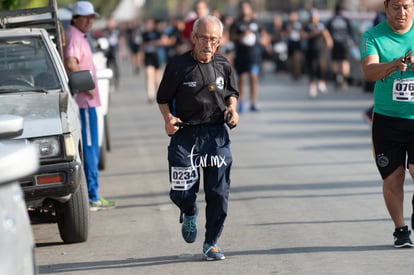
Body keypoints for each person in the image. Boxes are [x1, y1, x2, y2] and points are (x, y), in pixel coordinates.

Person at [156, 15, 239, 260]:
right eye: (203, 37)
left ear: (220, 41)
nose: (208, 43)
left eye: (213, 39)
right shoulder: (177, 66)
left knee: (218, 191)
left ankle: (211, 242)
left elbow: (231, 94)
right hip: (186, 134)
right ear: (193, 38)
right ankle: (189, 209)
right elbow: (162, 99)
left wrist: (232, 110)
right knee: (181, 190)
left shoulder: (224, 64)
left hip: (215, 135)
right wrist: (168, 119)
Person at [360, 0, 414, 248]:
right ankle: (400, 230)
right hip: (387, 120)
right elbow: (369, 71)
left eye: (407, 6)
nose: (401, 12)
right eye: (396, 6)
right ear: (386, 7)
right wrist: (394, 64)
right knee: (393, 178)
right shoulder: (373, 36)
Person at [64, 1, 116, 211]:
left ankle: (93, 194)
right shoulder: (74, 35)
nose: (89, 21)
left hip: (89, 103)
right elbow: (71, 62)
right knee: (89, 150)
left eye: (91, 17)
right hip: (84, 104)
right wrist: (88, 88)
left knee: (92, 148)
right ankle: (92, 195)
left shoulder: (79, 35)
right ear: (76, 18)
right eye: (85, 17)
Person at [230, 0, 264, 113]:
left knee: (253, 76)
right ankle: (241, 102)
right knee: (242, 77)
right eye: (242, 8)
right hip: (241, 54)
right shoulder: (237, 23)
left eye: (246, 7)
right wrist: (242, 35)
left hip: (254, 54)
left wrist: (262, 40)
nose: (244, 10)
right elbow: (231, 36)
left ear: (250, 9)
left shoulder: (255, 22)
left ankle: (253, 102)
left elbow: (263, 34)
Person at [302, 8, 333, 98]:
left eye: (315, 16)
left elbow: (327, 36)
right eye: (312, 17)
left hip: (320, 49)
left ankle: (321, 81)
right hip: (309, 49)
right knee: (311, 67)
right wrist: (313, 33)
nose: (313, 18)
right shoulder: (307, 26)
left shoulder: (321, 26)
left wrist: (329, 43)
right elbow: (302, 36)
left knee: (321, 65)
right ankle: (312, 85)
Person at [326, 3, 354, 90]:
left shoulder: (331, 20)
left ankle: (337, 79)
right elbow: (351, 33)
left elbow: (327, 33)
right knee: (344, 62)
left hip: (335, 43)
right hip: (344, 43)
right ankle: (344, 80)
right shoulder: (345, 20)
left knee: (335, 62)